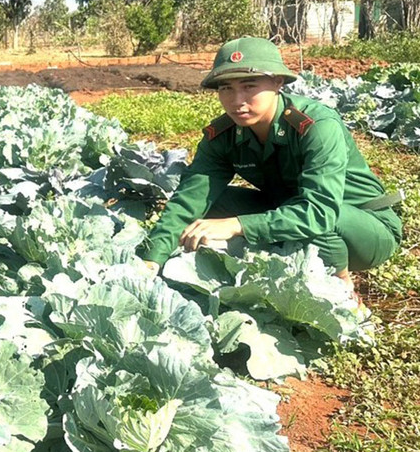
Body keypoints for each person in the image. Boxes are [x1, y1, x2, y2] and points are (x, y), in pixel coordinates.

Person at [141, 36, 403, 294]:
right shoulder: (223, 135)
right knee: (213, 202)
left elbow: (320, 212)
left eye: (249, 86)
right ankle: (270, 265)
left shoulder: (316, 127)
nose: (236, 100)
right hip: (292, 210)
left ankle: (340, 285)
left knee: (307, 214)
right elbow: (188, 199)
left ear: (278, 82)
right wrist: (152, 259)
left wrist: (237, 225)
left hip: (365, 230)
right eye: (226, 88)